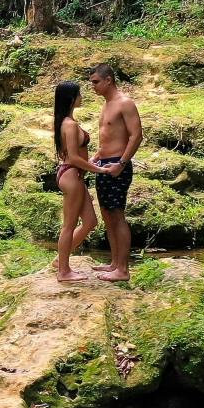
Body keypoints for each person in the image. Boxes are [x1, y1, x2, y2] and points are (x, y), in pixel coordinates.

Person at [87, 62, 142, 282]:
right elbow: (109, 137)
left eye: (96, 82)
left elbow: (136, 136)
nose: (93, 86)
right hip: (104, 164)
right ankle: (114, 263)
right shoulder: (106, 104)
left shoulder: (125, 103)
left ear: (108, 80)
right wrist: (97, 156)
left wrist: (121, 163)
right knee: (107, 215)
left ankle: (123, 269)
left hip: (118, 166)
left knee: (117, 215)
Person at [51, 81, 101, 281]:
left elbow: (75, 155)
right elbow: (72, 157)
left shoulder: (67, 121)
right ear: (72, 99)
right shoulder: (69, 125)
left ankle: (59, 260)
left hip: (74, 174)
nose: (82, 97)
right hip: (71, 174)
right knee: (69, 225)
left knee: (90, 221)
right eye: (79, 94)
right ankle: (63, 271)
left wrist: (92, 160)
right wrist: (98, 169)